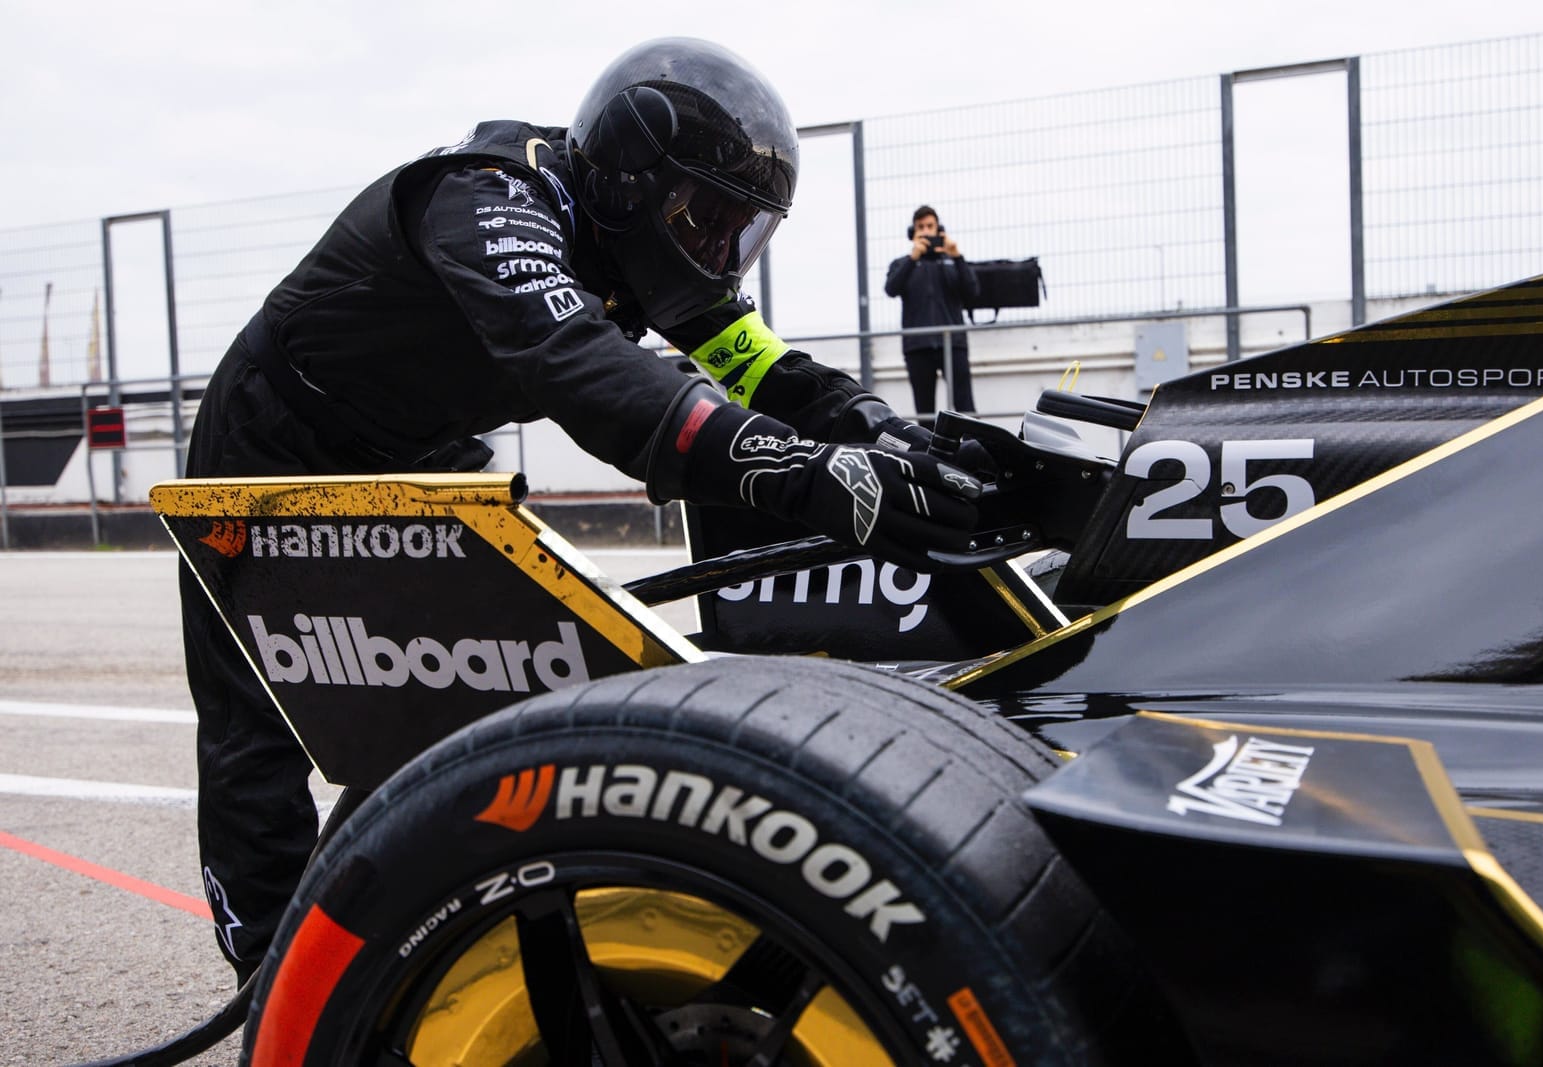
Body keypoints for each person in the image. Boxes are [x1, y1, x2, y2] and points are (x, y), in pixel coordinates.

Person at [180, 36, 985, 986]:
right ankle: (277, 986)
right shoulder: (484, 198)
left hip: (420, 455)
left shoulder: (645, 252)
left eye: (743, 230)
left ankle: (435, 920)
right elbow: (585, 371)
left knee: (472, 694)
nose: (721, 253)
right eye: (706, 219)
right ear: (630, 179)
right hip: (274, 444)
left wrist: (876, 427)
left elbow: (760, 365)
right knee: (257, 727)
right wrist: (810, 474)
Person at [884, 205, 981, 421]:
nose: (926, 231)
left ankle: (977, 450)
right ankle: (928, 454)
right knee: (925, 412)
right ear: (913, 232)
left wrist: (957, 256)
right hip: (917, 347)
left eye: (930, 226)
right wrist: (913, 258)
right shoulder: (902, 264)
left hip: (953, 344)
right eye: (920, 227)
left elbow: (972, 291)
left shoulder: (952, 261)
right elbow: (891, 289)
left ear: (939, 229)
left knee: (965, 407)